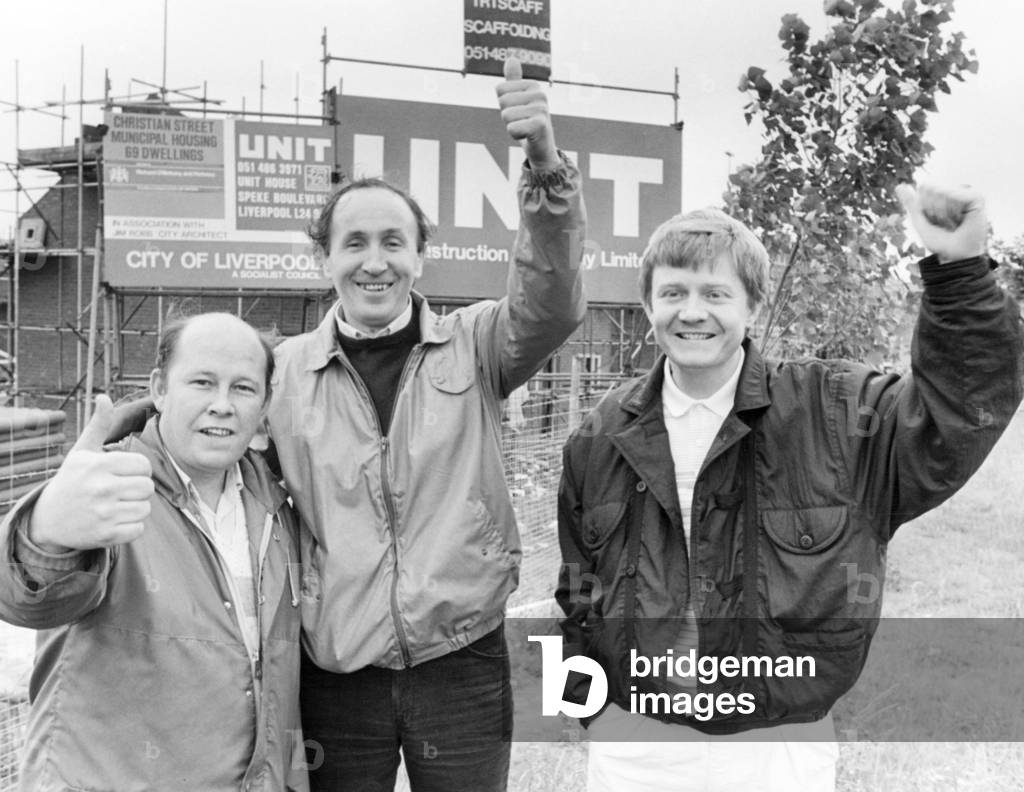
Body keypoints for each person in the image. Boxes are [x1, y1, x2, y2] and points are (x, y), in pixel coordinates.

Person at [555, 184, 1023, 791]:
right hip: (633, 743)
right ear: (648, 305)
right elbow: (575, 590)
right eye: (673, 292)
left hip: (778, 750)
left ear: (752, 304)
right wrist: (582, 709)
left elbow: (958, 409)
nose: (691, 312)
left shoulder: (838, 415)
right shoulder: (598, 438)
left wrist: (958, 271)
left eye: (715, 293)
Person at [266, 57, 586, 791]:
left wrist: (543, 163)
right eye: (354, 244)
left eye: (392, 242)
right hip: (338, 671)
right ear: (324, 262)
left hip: (461, 661)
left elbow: (554, 301)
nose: (374, 262)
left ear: (419, 257)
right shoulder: (282, 374)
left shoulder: (475, 346)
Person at [0, 313, 306, 791]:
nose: (222, 405)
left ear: (265, 403)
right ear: (160, 388)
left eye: (243, 388)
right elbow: (29, 594)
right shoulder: (113, 488)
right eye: (202, 382)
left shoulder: (277, 510)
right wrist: (45, 534)